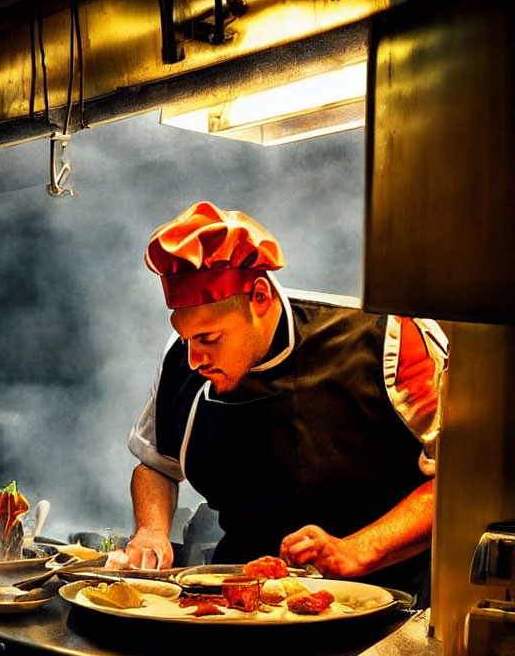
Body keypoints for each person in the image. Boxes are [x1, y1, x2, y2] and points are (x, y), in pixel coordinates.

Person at [126, 201, 447, 601]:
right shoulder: (183, 356)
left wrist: (360, 549)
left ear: (259, 297)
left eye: (209, 338)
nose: (194, 359)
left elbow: (465, 478)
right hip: (239, 607)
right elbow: (157, 465)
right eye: (186, 336)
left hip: (385, 607)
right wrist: (152, 532)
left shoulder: (386, 340)